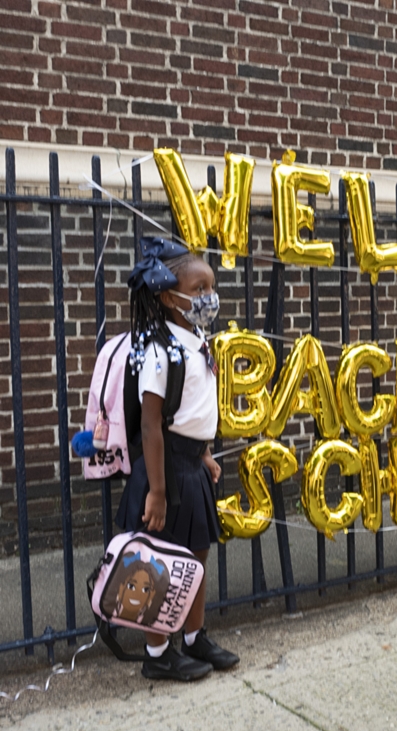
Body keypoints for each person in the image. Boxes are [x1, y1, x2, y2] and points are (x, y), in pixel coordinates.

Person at [115, 238, 239, 682]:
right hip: (163, 468)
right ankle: (157, 650)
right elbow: (152, 424)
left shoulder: (196, 340)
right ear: (170, 296)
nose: (209, 295)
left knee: (196, 557)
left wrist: (204, 453)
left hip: (190, 463)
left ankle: (193, 636)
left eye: (212, 286)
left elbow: (191, 409)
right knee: (159, 561)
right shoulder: (158, 348)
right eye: (199, 286)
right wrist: (158, 490)